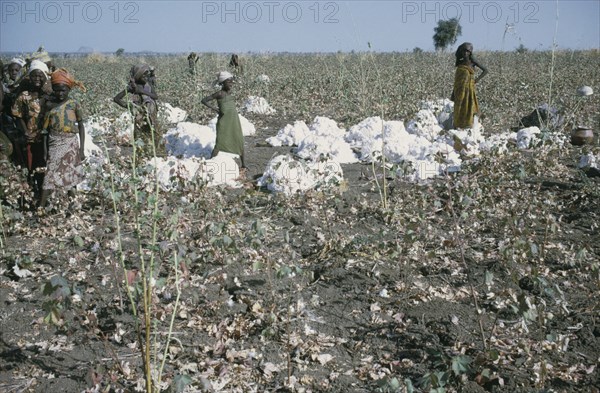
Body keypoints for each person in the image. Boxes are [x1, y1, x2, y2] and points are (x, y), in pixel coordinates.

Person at [39, 69, 86, 207]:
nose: (60, 93)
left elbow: (81, 126)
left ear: (68, 90)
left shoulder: (74, 104)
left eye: (63, 90)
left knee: (71, 175)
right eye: (57, 90)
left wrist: (82, 149)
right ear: (53, 89)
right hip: (55, 142)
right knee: (50, 175)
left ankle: (73, 206)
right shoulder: (49, 106)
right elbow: (45, 132)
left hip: (71, 142)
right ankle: (41, 208)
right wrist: (45, 151)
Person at [11, 60, 50, 196]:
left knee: (45, 165)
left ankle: (44, 195)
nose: (37, 79)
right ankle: (34, 193)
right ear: (29, 77)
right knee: (31, 165)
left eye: (40, 76)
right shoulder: (24, 96)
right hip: (30, 137)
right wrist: (25, 131)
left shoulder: (50, 96)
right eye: (34, 75)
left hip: (46, 138)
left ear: (45, 77)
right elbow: (17, 115)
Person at [113, 64, 162, 155]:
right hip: (139, 117)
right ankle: (141, 157)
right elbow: (116, 99)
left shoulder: (148, 85)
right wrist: (130, 107)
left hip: (151, 116)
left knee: (154, 135)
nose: (146, 77)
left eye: (147, 75)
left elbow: (155, 96)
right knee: (140, 138)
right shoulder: (132, 87)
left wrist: (143, 92)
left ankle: (154, 155)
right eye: (143, 75)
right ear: (138, 76)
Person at [201, 71, 246, 169]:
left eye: (231, 82)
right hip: (224, 122)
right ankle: (209, 164)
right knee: (219, 143)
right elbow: (203, 100)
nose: (230, 84)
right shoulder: (219, 94)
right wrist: (216, 109)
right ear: (222, 83)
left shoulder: (230, 93)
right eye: (228, 82)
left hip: (234, 120)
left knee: (239, 140)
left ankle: (243, 165)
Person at [451, 42, 487, 129]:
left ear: (470, 52)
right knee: (459, 108)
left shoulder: (472, 62)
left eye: (467, 51)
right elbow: (457, 81)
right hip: (459, 90)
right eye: (463, 51)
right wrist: (453, 93)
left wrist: (476, 80)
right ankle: (458, 126)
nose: (465, 53)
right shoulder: (460, 63)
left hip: (469, 90)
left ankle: (467, 125)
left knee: (469, 107)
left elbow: (485, 70)